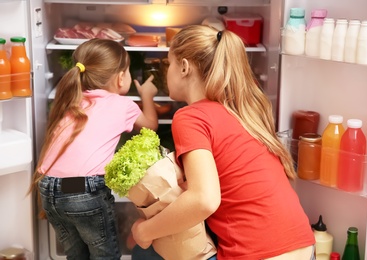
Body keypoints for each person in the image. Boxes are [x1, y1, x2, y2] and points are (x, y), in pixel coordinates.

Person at [131, 25, 316, 260]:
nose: (167, 72)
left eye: (169, 64)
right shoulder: (243, 110)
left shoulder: (190, 117)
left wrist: (145, 231)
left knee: (144, 252)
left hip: (256, 255)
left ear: (185, 67)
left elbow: (204, 200)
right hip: (305, 248)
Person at [29, 38, 158, 260]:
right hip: (85, 193)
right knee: (104, 256)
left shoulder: (71, 99)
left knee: (75, 255)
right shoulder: (123, 104)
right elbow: (151, 126)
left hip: (48, 188)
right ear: (120, 78)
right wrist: (147, 95)